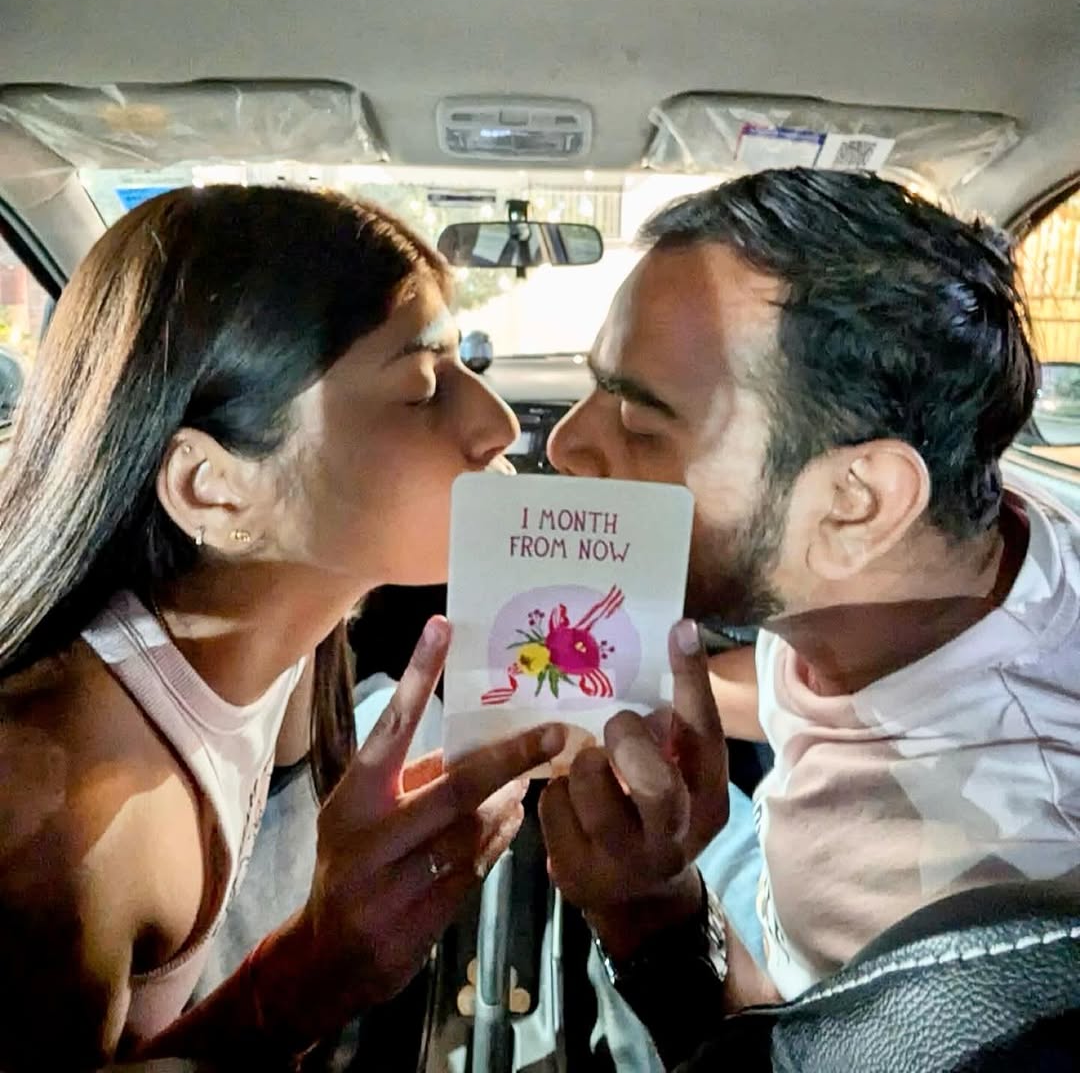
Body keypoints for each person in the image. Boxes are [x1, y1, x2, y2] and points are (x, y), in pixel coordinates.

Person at [0, 185, 565, 1071]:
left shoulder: (301, 610)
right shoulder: (65, 828)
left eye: (463, 363)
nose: (498, 425)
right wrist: (317, 968)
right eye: (422, 388)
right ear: (214, 489)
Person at [538, 168, 1080, 1069]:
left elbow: (766, 1046)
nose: (564, 446)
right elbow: (800, 692)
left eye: (639, 416)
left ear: (860, 502)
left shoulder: (949, 901)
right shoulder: (976, 540)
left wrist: (649, 907)